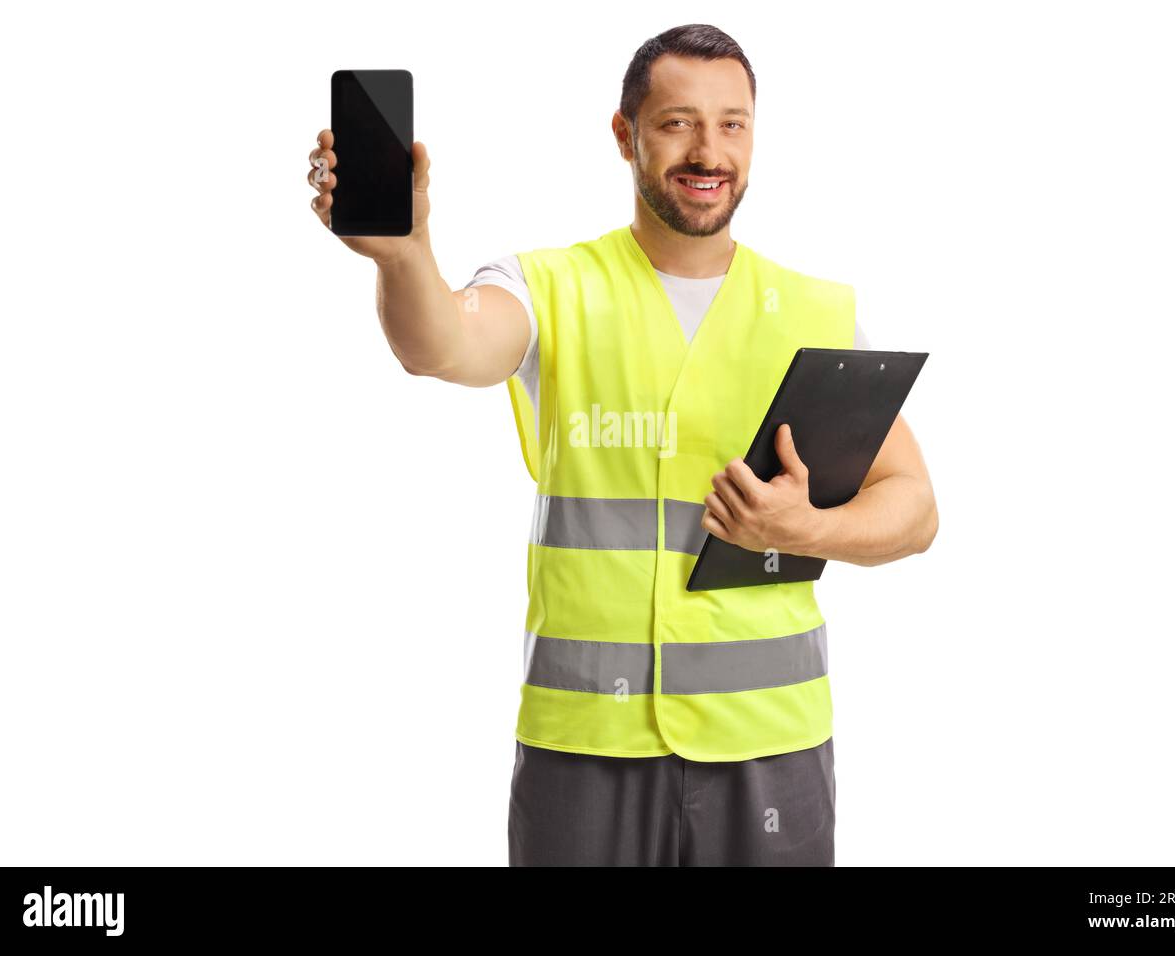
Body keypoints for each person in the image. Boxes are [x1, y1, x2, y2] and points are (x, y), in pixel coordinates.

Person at [308, 23, 938, 867]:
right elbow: (441, 348)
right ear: (625, 135)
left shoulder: (819, 313)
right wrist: (404, 254)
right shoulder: (548, 287)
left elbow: (915, 507)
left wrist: (806, 530)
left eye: (733, 124)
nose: (708, 150)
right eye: (678, 122)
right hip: (585, 750)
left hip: (771, 746)